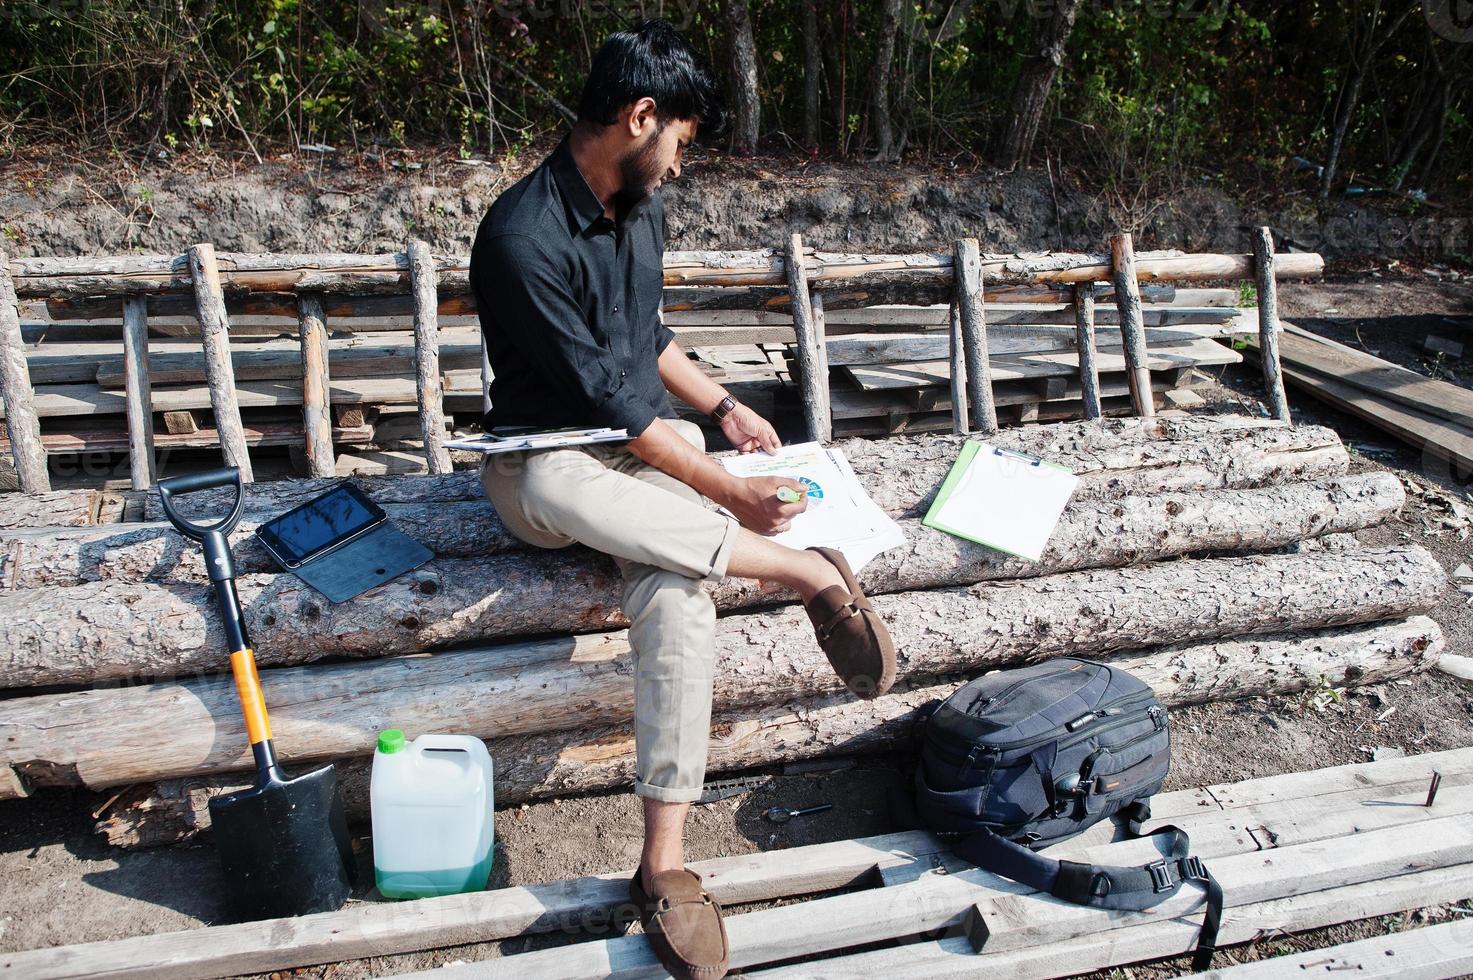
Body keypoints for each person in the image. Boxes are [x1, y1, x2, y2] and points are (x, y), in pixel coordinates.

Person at [469, 21, 896, 980]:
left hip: (647, 457)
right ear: (639, 115)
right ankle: (801, 571)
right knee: (552, 479)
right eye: (682, 140)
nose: (680, 162)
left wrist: (726, 406)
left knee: (675, 589)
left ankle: (661, 864)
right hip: (548, 467)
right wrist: (735, 504)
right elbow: (609, 407)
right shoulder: (520, 236)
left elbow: (646, 340)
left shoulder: (639, 204)